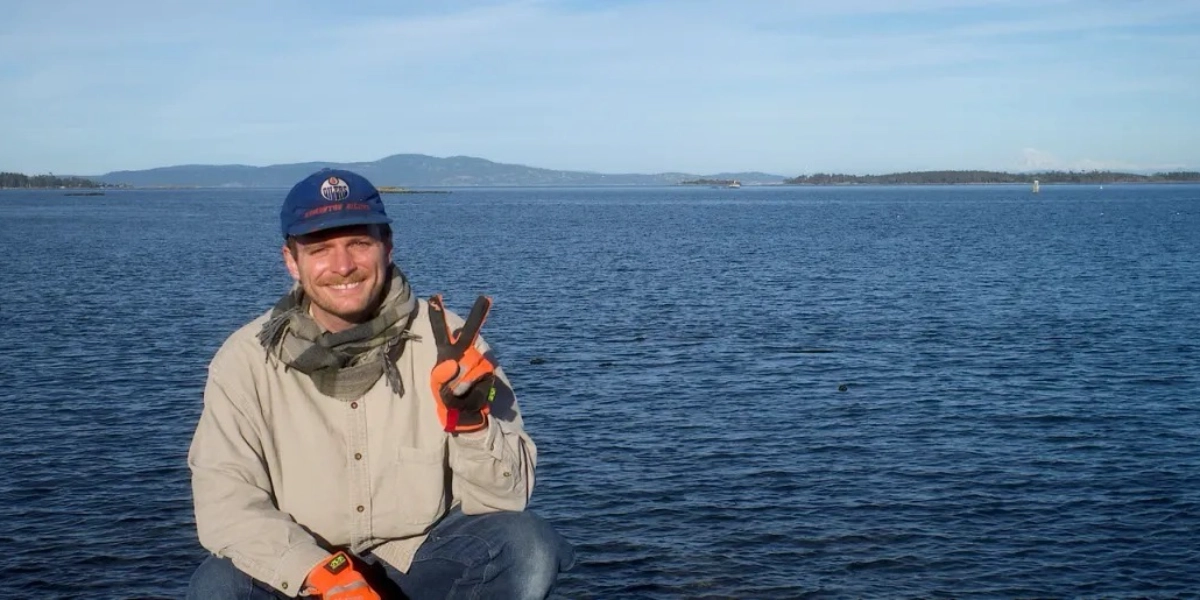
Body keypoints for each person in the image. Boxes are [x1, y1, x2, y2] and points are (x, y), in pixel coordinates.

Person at [186, 169, 574, 600]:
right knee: (217, 586)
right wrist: (325, 574)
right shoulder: (244, 360)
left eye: (359, 243)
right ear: (291, 261)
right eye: (320, 249)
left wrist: (470, 422)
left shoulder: (452, 344)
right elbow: (226, 503)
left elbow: (506, 500)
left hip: (421, 556)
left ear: (387, 247)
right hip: (302, 568)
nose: (343, 266)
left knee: (529, 545)